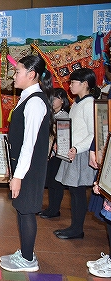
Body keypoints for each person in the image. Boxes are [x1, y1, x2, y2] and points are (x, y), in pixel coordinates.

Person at [0, 55, 52, 272]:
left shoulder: (36, 102)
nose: (14, 76)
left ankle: (28, 260)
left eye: (18, 72)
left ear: (31, 75)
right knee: (22, 209)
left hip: (29, 168)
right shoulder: (27, 97)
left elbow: (29, 143)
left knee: (27, 210)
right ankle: (25, 252)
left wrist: (18, 176)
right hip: (23, 166)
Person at [53, 68, 101, 239]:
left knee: (78, 192)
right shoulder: (78, 103)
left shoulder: (89, 104)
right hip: (73, 151)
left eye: (73, 82)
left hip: (80, 153)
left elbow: (93, 133)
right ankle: (75, 227)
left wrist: (77, 148)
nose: (70, 86)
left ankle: (77, 229)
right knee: (74, 192)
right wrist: (62, 141)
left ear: (85, 84)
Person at [38, 88, 70, 218]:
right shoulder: (53, 114)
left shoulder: (63, 116)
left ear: (62, 101)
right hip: (51, 154)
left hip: (58, 154)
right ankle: (51, 208)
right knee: (51, 182)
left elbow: (62, 137)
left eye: (55, 98)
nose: (52, 101)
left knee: (56, 183)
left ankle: (54, 209)